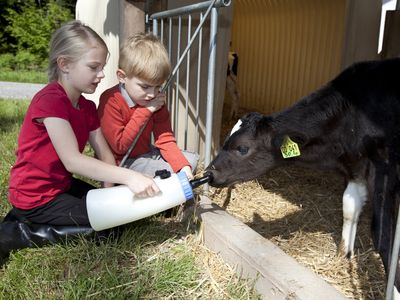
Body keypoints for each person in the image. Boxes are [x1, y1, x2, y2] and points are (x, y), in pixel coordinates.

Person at [0, 20, 160, 262]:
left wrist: (110, 194)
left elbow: (105, 155)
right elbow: (73, 161)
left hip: (61, 187)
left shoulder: (86, 107)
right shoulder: (51, 101)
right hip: (35, 196)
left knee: (117, 217)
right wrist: (130, 177)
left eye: (102, 67)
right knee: (106, 230)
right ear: (64, 64)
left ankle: (22, 218)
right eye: (94, 67)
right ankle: (18, 233)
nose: (101, 74)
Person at [97, 33, 198, 180]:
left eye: (158, 87)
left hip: (146, 153)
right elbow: (119, 146)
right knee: (169, 174)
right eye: (145, 86)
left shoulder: (154, 100)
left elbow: (165, 138)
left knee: (190, 161)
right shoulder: (110, 100)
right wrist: (146, 110)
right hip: (122, 162)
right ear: (122, 77)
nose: (152, 94)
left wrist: (183, 166)